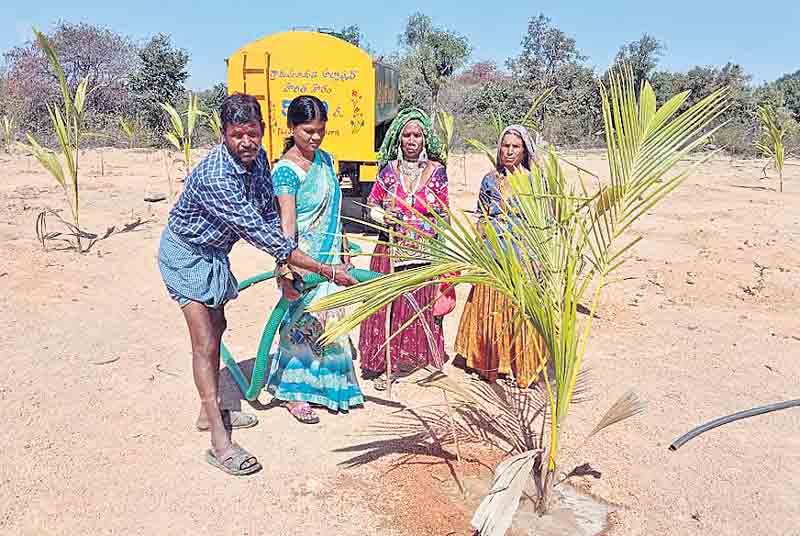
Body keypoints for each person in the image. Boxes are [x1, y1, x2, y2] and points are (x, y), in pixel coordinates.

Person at [158, 93, 357, 475]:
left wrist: (292, 259)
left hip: (214, 254)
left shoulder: (258, 159)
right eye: (236, 135)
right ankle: (219, 441)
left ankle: (207, 409)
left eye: (252, 134)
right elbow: (263, 235)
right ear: (223, 135)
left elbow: (269, 211)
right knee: (204, 340)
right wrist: (323, 269)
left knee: (218, 328)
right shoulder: (217, 176)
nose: (245, 143)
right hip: (186, 254)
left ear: (263, 132)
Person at [265, 95, 365, 424]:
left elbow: (336, 210)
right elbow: (288, 226)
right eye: (308, 130)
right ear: (291, 128)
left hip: (333, 258)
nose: (315, 137)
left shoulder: (327, 160)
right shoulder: (285, 172)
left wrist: (345, 248)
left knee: (331, 324)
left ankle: (327, 386)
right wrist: (286, 270)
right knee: (299, 325)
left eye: (321, 130)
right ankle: (294, 392)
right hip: (304, 262)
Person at [358, 107, 450, 390]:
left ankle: (414, 359)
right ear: (398, 140)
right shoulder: (388, 172)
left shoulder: (437, 173)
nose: (411, 140)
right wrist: (384, 217)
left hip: (423, 252)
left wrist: (435, 229)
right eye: (406, 135)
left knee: (419, 305)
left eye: (417, 135)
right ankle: (386, 362)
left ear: (425, 139)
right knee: (389, 306)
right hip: (390, 251)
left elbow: (445, 214)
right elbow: (371, 206)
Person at [454, 124, 547, 387]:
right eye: (505, 146)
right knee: (491, 308)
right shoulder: (489, 179)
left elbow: (544, 220)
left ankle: (519, 364)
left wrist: (539, 259)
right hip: (494, 254)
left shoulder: (534, 180)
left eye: (515, 147)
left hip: (522, 256)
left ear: (525, 150)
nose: (509, 151)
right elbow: (481, 216)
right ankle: (489, 363)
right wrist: (479, 248)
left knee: (520, 311)